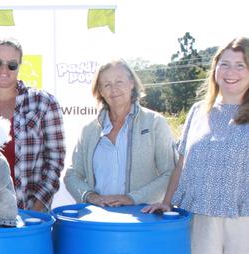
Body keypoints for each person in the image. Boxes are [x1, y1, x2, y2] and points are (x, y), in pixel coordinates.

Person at [144, 37, 249, 254]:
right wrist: (167, 201)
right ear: (215, 70)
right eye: (225, 64)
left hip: (242, 221)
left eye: (240, 65)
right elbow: (181, 162)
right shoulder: (198, 112)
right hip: (199, 218)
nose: (231, 72)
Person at [0, 38, 65, 211]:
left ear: (19, 66)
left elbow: (55, 159)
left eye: (12, 65)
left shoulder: (44, 103)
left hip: (28, 212)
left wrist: (36, 206)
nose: (4, 70)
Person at [64, 59, 175, 206]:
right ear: (101, 91)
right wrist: (89, 196)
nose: (113, 89)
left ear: (132, 83)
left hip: (143, 220)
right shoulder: (89, 130)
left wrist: (132, 198)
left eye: (119, 82)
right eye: (107, 84)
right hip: (99, 220)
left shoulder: (154, 122)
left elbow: (170, 173)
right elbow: (72, 175)